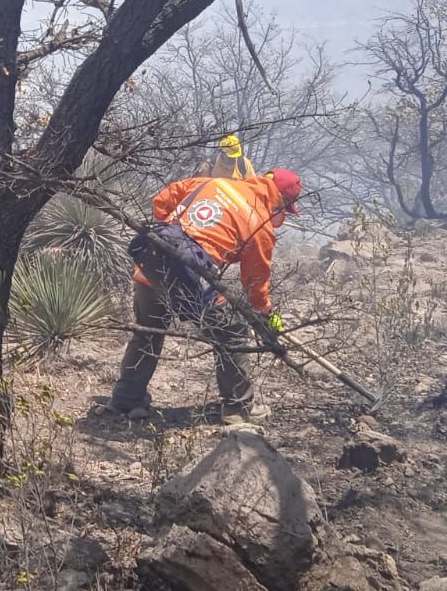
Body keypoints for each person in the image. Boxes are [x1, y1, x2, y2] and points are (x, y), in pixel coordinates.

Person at [106, 168, 303, 424]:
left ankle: (125, 401)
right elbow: (256, 285)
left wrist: (175, 239)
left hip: (150, 267)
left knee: (148, 332)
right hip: (194, 281)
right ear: (281, 201)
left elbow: (162, 201)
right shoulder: (259, 223)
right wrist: (270, 320)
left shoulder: (212, 183)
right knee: (231, 334)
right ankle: (238, 409)